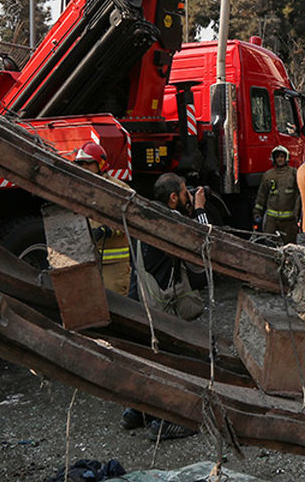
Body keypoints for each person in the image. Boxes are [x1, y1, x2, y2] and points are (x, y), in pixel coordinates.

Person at [122, 172, 209, 441]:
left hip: (138, 298)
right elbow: (205, 246)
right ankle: (166, 421)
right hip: (159, 304)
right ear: (173, 198)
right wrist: (200, 209)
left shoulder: (143, 214)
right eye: (184, 193)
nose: (187, 196)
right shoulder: (171, 221)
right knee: (169, 358)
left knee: (145, 355)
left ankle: (136, 410)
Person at [74, 141, 131, 296]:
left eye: (88, 163)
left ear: (100, 164)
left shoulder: (119, 189)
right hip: (87, 261)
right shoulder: (77, 188)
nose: (84, 167)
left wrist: (106, 229)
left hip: (114, 265)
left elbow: (130, 220)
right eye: (80, 163)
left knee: (117, 308)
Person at [253, 145, 300, 246]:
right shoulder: (268, 175)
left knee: (290, 247)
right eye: (277, 157)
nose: (280, 159)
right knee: (269, 245)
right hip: (272, 221)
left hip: (289, 221)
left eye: (282, 157)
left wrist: (299, 216)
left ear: (286, 158)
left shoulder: (293, 174)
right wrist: (257, 212)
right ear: (273, 159)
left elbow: (299, 196)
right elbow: (262, 195)